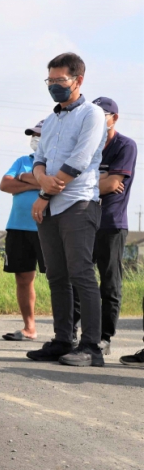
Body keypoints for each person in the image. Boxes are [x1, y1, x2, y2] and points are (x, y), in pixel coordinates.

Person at [26, 52, 107, 368]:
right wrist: (41, 177)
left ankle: (91, 347)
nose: (54, 86)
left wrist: (43, 193)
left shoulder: (92, 114)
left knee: (81, 273)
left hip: (77, 203)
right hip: (51, 206)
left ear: (78, 80)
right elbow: (39, 159)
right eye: (50, 81)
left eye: (60, 81)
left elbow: (78, 161)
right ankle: (63, 340)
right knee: (57, 275)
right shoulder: (51, 120)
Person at [71, 97, 137, 355]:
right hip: (84, 219)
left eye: (104, 114)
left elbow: (111, 185)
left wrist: (85, 184)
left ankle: (104, 337)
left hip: (111, 222)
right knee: (79, 278)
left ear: (114, 118)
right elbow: (97, 182)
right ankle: (76, 333)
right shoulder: (88, 145)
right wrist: (98, 182)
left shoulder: (125, 146)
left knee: (109, 283)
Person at [0, 120, 48, 342]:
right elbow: (5, 185)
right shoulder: (22, 161)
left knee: (59, 278)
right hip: (18, 227)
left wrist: (24, 179)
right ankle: (29, 327)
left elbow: (54, 184)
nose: (34, 138)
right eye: (33, 134)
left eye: (38, 134)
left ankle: (67, 331)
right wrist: (36, 183)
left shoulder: (56, 164)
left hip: (46, 228)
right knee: (22, 277)